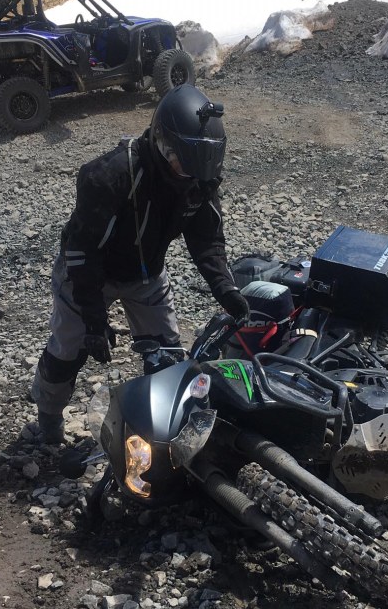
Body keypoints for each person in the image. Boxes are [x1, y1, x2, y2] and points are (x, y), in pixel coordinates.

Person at [30, 84, 250, 444]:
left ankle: (164, 432)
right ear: (163, 144)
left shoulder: (199, 177)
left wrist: (226, 290)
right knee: (69, 350)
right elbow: (83, 253)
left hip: (146, 273)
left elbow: (207, 240)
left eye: (199, 163)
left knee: (169, 357)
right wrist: (93, 320)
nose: (189, 172)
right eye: (183, 161)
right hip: (88, 271)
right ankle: (48, 417)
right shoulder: (109, 177)